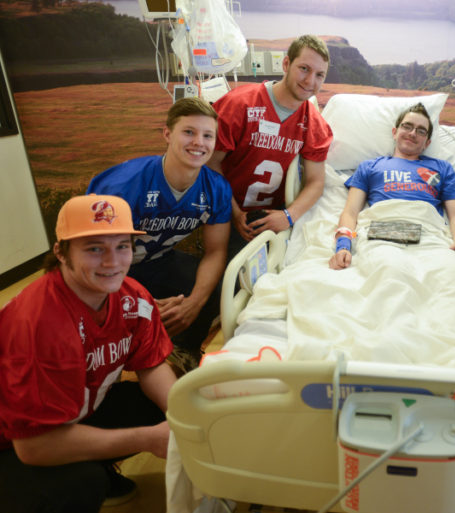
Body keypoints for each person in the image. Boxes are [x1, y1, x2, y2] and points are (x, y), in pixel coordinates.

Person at [0, 194, 176, 513]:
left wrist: (187, 416)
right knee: (81, 484)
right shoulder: (39, 323)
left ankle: (89, 462)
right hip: (13, 442)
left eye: (122, 246)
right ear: (61, 254)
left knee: (163, 404)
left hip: (69, 412)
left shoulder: (130, 297)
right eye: (94, 248)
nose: (112, 262)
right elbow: (33, 446)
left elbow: (151, 365)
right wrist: (147, 439)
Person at [88, 97, 232, 373]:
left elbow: (215, 252)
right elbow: (92, 259)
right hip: (108, 269)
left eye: (207, 135)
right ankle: (119, 357)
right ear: (167, 134)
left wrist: (193, 303)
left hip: (156, 260)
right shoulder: (123, 185)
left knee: (222, 283)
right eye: (188, 132)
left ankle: (182, 348)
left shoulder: (217, 189)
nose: (198, 142)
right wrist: (136, 302)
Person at [207, 34, 334, 258]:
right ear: (286, 64)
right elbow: (210, 163)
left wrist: (288, 216)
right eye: (304, 68)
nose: (310, 81)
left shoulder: (314, 124)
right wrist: (234, 212)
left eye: (319, 75)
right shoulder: (239, 104)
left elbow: (316, 181)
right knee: (225, 275)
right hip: (224, 208)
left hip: (268, 218)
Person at [329, 102, 455, 270]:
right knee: (389, 270)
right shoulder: (369, 167)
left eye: (421, 130)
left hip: (429, 235)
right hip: (383, 234)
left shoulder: (442, 168)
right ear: (394, 133)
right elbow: (350, 212)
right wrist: (343, 246)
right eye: (407, 126)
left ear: (427, 143)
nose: (412, 133)